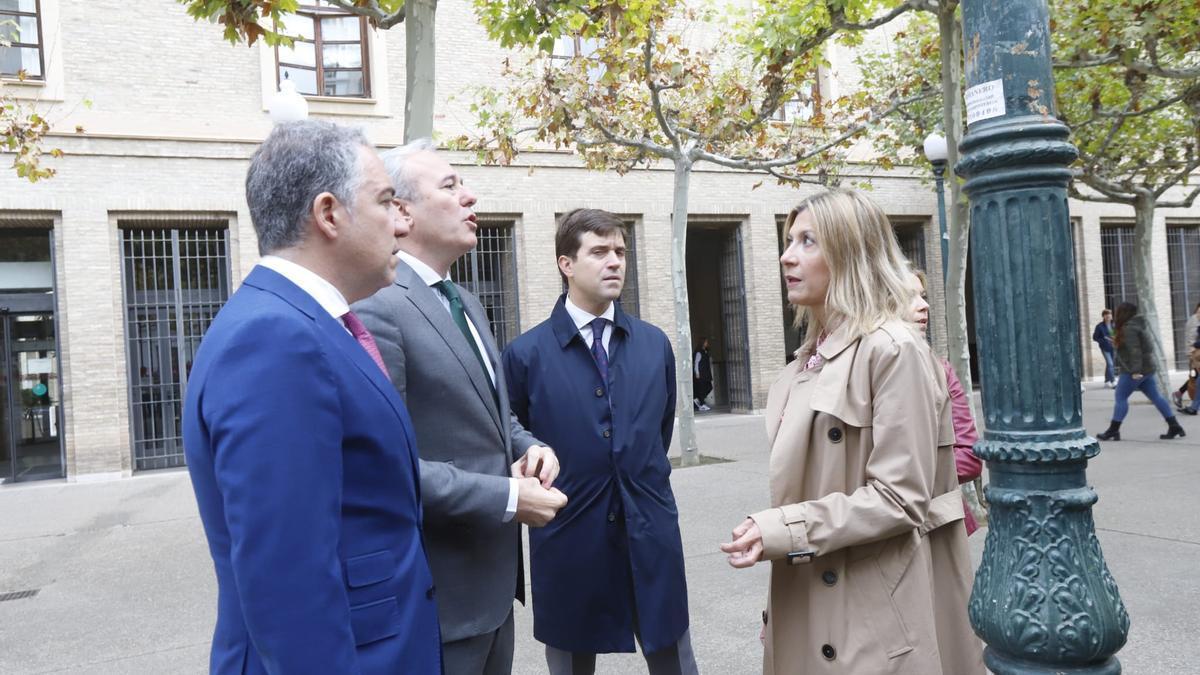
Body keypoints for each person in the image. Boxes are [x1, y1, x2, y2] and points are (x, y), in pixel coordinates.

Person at [182, 121, 440, 673]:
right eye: (386, 201)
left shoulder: (307, 324)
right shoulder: (275, 338)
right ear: (329, 214)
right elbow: (286, 579)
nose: (401, 223)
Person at [719, 189, 984, 674]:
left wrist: (781, 528)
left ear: (850, 253)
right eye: (789, 239)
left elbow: (901, 497)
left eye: (808, 241)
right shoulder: (805, 362)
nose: (787, 255)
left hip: (870, 610)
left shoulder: (892, 349)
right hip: (811, 592)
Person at [352, 139, 566, 675]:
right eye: (450, 186)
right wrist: (508, 498)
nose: (471, 196)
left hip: (494, 595)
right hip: (438, 599)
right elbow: (384, 468)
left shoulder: (464, 300)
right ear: (400, 212)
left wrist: (529, 446)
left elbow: (496, 417)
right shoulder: (377, 308)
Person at [502, 209, 697, 675]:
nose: (615, 262)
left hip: (650, 526)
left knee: (673, 652)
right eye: (599, 252)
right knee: (570, 658)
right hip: (569, 534)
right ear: (565, 263)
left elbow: (658, 432)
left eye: (620, 252)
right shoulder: (525, 354)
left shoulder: (654, 345)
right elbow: (515, 434)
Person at [910, 269, 983, 535]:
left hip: (936, 527)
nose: (924, 305)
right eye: (910, 296)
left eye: (923, 295)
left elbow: (970, 457)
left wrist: (902, 475)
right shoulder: (857, 373)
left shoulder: (940, 370)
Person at [1096, 301, 1186, 440]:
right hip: (1147, 369)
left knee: (1121, 397)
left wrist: (1135, 371)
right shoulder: (1136, 325)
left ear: (1123, 313)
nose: (1114, 314)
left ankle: (1113, 430)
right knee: (1156, 397)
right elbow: (1141, 347)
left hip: (1135, 370)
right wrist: (1117, 343)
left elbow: (1135, 351)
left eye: (1117, 311)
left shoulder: (1129, 328)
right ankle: (1174, 426)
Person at [1172, 301, 1200, 408]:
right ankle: (1181, 395)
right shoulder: (1195, 319)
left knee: (1196, 377)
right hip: (1196, 354)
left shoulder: (1195, 318)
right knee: (1196, 377)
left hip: (1195, 353)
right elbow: (1192, 339)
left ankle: (1179, 394)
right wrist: (1192, 354)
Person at [1093, 308, 1116, 388]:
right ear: (1103, 316)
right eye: (1107, 315)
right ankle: (1113, 381)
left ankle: (1107, 381)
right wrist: (1104, 340)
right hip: (1105, 347)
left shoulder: (1114, 325)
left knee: (1110, 364)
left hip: (1114, 347)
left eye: (1110, 315)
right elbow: (1095, 337)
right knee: (1110, 363)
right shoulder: (1099, 326)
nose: (1108, 316)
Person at [693, 337, 713, 411]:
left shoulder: (705, 351)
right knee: (702, 389)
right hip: (701, 374)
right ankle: (701, 404)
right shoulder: (699, 352)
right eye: (706, 342)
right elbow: (696, 363)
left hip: (706, 374)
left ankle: (698, 399)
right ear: (703, 343)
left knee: (709, 387)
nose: (707, 344)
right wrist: (697, 373)